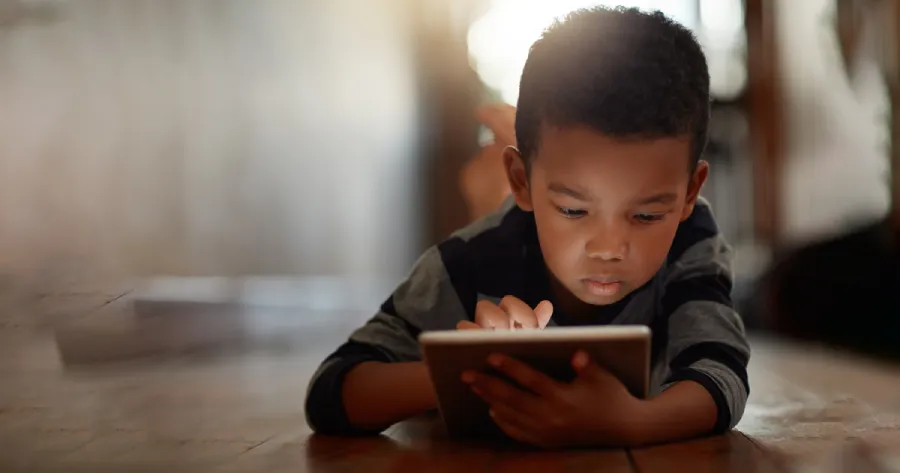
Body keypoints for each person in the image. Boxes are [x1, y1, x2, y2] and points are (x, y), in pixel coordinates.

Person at [304, 6, 750, 448]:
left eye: (647, 216)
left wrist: (633, 423)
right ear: (520, 180)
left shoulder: (691, 241)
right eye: (574, 211)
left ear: (691, 192)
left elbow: (720, 373)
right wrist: (467, 368)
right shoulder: (471, 261)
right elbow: (332, 390)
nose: (609, 248)